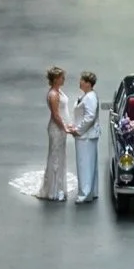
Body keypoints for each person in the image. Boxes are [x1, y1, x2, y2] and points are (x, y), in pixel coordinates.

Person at [39, 66, 73, 202]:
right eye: (61, 77)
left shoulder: (58, 91)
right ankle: (53, 189)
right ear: (55, 79)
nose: (63, 79)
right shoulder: (53, 95)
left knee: (60, 155)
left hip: (61, 128)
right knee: (55, 157)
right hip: (56, 129)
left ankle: (58, 186)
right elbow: (56, 115)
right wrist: (64, 127)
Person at [70, 71, 102, 203]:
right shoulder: (87, 95)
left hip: (86, 136)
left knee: (84, 164)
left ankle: (85, 193)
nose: (80, 82)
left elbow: (90, 117)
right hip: (87, 135)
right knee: (90, 164)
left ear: (88, 83)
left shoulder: (90, 97)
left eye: (82, 80)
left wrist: (78, 130)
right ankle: (91, 190)